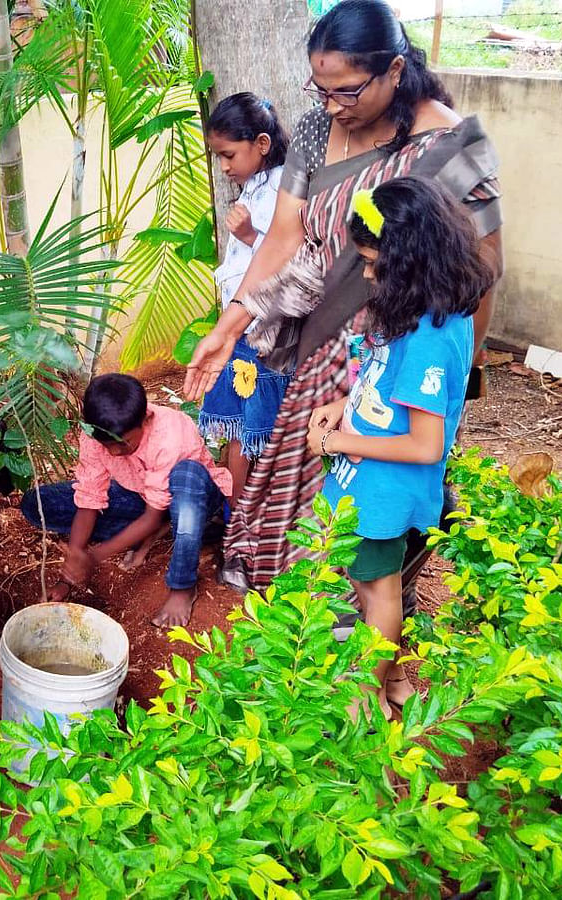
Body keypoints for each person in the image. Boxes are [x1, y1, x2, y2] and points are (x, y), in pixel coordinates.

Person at [183, 0, 503, 593]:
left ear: (396, 71)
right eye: (320, 89)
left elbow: (482, 273)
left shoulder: (451, 149)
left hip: (397, 359)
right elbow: (285, 237)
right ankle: (305, 640)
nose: (331, 106)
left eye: (348, 91)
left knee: (379, 504)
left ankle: (375, 634)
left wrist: (455, 377)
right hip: (321, 347)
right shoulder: (312, 128)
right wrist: (227, 330)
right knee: (311, 501)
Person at [307, 178, 492, 718]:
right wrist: (344, 404)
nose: (367, 273)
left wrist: (336, 440)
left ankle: (367, 696)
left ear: (412, 260)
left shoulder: (434, 333)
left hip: (384, 495)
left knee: (378, 594)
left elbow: (426, 444)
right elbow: (383, 377)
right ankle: (395, 681)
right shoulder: (417, 308)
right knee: (374, 589)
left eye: (374, 262)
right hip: (366, 483)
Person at [20, 374, 232, 628]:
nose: (115, 452)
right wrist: (72, 568)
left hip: (194, 500)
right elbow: (89, 499)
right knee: (38, 504)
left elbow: (153, 514)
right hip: (143, 497)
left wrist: (94, 557)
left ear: (146, 419)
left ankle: (182, 586)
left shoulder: (170, 433)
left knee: (186, 479)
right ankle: (158, 531)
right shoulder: (94, 435)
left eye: (124, 443)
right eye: (107, 444)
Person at [198, 93, 291, 495]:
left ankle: (240, 519)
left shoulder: (282, 192)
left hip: (260, 333)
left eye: (229, 154)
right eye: (218, 156)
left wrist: (251, 236)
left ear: (262, 144)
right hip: (241, 331)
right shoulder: (256, 187)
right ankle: (233, 514)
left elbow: (288, 265)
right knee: (238, 428)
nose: (223, 166)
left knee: (251, 434)